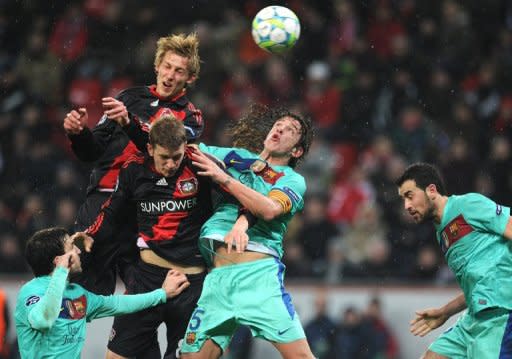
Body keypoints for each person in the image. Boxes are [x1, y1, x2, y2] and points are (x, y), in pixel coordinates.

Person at [62, 32, 203, 295]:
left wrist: (129, 123)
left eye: (179, 71)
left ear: (190, 78)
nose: (171, 75)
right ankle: (69, 334)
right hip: (103, 200)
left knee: (142, 299)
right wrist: (79, 133)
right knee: (83, 291)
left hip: (146, 209)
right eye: (168, 67)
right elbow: (92, 152)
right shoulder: (129, 98)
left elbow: (159, 151)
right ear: (157, 66)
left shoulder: (190, 116)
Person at [179, 104, 316, 359]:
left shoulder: (291, 179)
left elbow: (269, 210)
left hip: (257, 277)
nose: (280, 129)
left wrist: (224, 179)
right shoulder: (235, 156)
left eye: (290, 130)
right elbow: (189, 151)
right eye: (279, 125)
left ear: (296, 150)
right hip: (217, 279)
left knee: (301, 357)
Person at [78, 116, 213, 359]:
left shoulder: (201, 166)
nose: (171, 164)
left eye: (177, 157)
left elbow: (231, 195)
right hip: (147, 279)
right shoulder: (133, 168)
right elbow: (112, 211)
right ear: (150, 148)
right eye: (164, 158)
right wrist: (90, 235)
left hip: (193, 285)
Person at [14, 227, 190, 359]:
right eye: (71, 248)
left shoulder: (78, 294)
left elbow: (117, 304)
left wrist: (162, 293)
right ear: (59, 260)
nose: (78, 251)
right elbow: (44, 321)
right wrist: (61, 272)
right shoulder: (30, 292)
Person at [396, 163, 512, 358]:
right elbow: (476, 287)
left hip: (499, 314)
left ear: (431, 190)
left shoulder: (467, 205)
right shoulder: (442, 234)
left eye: (410, 195)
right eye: (403, 199)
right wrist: (445, 312)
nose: (406, 206)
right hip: (475, 316)